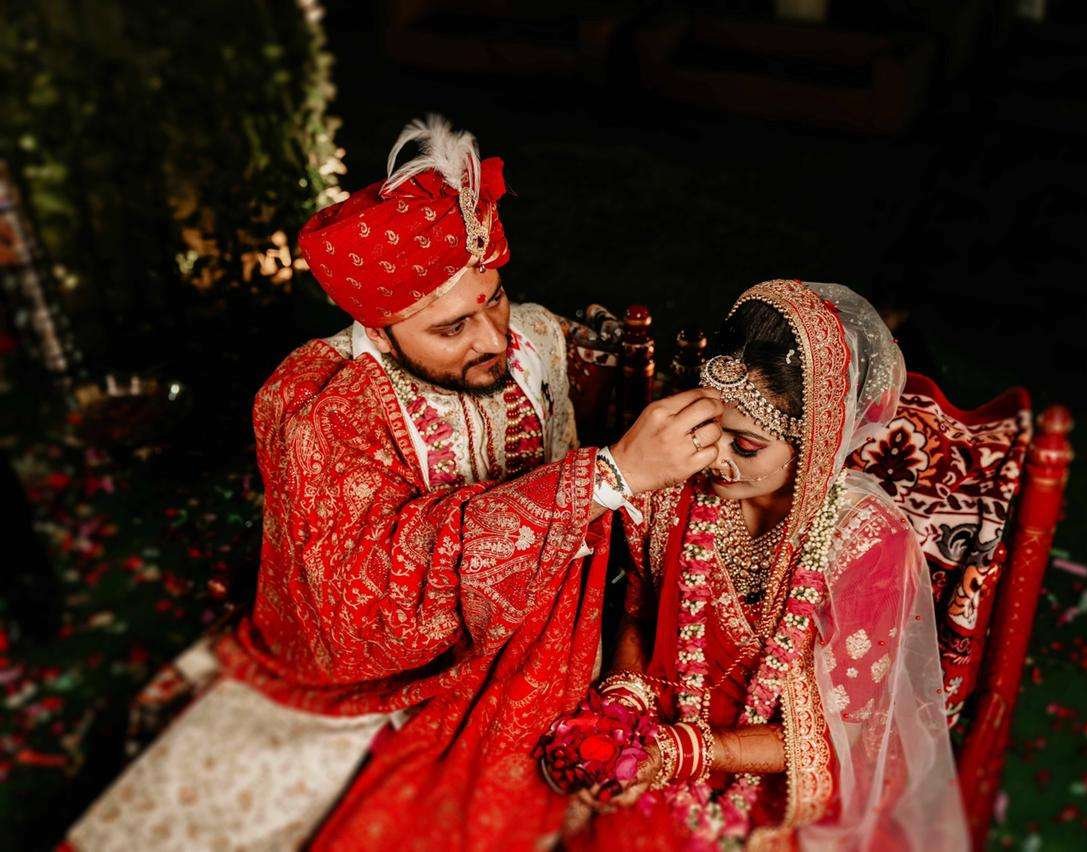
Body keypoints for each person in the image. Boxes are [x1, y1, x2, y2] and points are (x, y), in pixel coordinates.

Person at [65, 116, 723, 851]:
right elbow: (366, 600)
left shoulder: (533, 336)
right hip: (386, 670)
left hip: (543, 629)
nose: (493, 339)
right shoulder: (322, 405)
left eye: (494, 297)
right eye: (451, 328)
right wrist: (604, 479)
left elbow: (594, 397)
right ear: (378, 328)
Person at [557, 280, 969, 850]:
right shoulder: (672, 485)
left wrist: (689, 751)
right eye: (707, 430)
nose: (714, 458)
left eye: (746, 446)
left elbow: (842, 730)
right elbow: (638, 613)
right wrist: (625, 704)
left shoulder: (866, 543)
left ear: (817, 444)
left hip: (785, 777)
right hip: (662, 737)